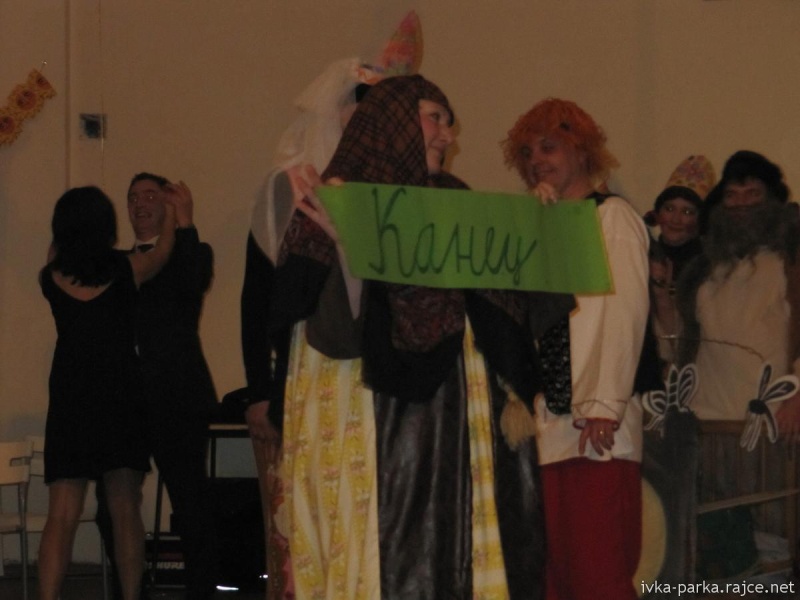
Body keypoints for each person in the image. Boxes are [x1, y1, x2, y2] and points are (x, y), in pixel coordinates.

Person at [262, 75, 566, 600]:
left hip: (460, 425)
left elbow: (511, 312)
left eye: (449, 122)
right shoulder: (333, 203)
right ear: (393, 123)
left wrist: (541, 231)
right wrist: (352, 249)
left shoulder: (457, 206)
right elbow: (327, 335)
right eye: (434, 118)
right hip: (373, 422)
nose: (448, 135)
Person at [502, 98, 650, 600]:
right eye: (527, 153)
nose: (536, 161)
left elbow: (624, 314)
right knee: (557, 576)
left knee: (597, 572)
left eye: (549, 147)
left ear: (582, 150)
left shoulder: (613, 217)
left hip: (596, 424)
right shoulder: (543, 226)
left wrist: (604, 404)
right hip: (551, 424)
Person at [38, 185, 176, 600]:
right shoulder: (127, 268)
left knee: (61, 513)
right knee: (125, 509)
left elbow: (56, 248)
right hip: (120, 394)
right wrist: (171, 214)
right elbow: (163, 253)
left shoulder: (52, 275)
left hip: (71, 397)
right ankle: (131, 596)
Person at [97, 174, 218, 600]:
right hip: (126, 401)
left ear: (168, 204)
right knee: (110, 507)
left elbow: (193, 281)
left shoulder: (193, 251)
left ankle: (200, 592)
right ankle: (131, 589)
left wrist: (185, 223)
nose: (140, 203)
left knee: (190, 503)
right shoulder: (115, 264)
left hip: (178, 397)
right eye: (132, 197)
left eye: (150, 195)